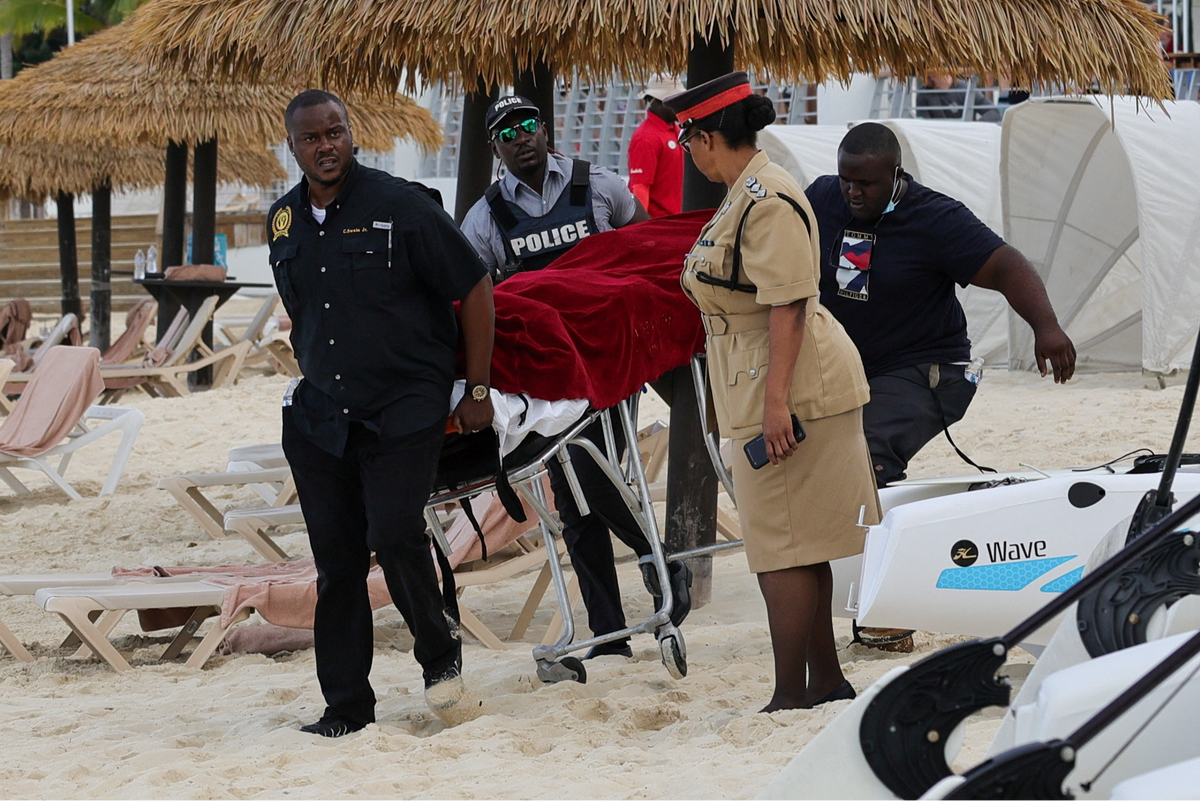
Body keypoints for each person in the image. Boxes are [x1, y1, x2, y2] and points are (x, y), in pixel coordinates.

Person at [269, 89, 495, 736]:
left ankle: (440, 658)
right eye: (312, 137)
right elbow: (304, 313)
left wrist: (474, 390)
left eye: (335, 131)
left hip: (404, 405)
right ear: (294, 147)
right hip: (322, 418)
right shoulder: (282, 223)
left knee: (396, 535)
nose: (326, 144)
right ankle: (346, 706)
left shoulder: (399, 206)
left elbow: (474, 285)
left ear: (351, 134)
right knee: (337, 564)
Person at [666, 72, 882, 711]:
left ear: (708, 138)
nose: (688, 153)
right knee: (797, 540)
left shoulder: (766, 198)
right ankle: (824, 681)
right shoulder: (748, 191)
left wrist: (776, 406)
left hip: (792, 385)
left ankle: (792, 693)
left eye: (688, 141)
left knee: (779, 548)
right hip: (768, 375)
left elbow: (788, 303)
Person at [461, 95, 691, 660]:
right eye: (507, 131)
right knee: (573, 493)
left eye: (529, 124)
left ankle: (655, 573)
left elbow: (644, 255)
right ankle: (616, 623)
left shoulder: (603, 187)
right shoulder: (484, 218)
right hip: (547, 373)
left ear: (546, 128)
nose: (522, 136)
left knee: (595, 473)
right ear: (495, 147)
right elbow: (474, 301)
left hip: (614, 358)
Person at [807, 122, 1076, 490]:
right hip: (850, 368)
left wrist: (1047, 327)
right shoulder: (822, 198)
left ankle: (866, 539)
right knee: (803, 454)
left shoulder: (935, 218)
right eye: (845, 180)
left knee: (862, 456)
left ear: (896, 174)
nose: (852, 192)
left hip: (926, 369)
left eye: (866, 184)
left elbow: (1005, 266)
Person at [627, 75, 686, 218]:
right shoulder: (646, 137)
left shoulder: (676, 131)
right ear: (660, 102)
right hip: (659, 223)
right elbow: (640, 188)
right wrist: (642, 228)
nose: (680, 105)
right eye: (675, 100)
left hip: (676, 219)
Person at [916, 74, 1002, 121]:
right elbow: (924, 122)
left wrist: (974, 126)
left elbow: (994, 112)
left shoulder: (965, 90)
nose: (921, 78)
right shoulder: (923, 93)